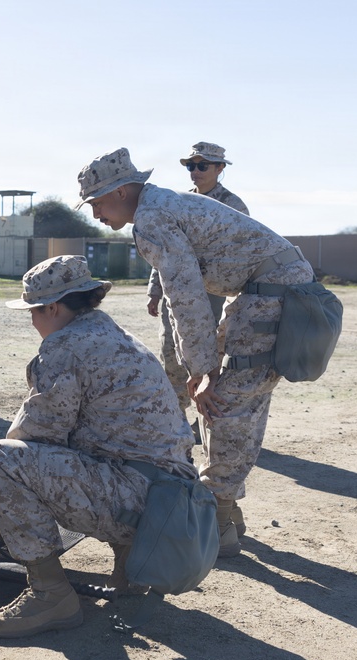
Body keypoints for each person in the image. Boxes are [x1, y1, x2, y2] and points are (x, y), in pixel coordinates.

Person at [77, 147, 314, 559]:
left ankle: (218, 518)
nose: (95, 214)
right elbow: (183, 294)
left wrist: (203, 369)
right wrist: (201, 365)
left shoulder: (151, 219)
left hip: (272, 292)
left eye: (97, 202)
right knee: (228, 396)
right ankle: (227, 508)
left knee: (228, 399)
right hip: (265, 289)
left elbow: (186, 297)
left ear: (120, 192)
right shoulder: (160, 205)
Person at [0, 255, 196, 638]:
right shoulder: (118, 336)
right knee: (97, 453)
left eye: (34, 311)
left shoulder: (65, 346)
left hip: (142, 503)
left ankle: (51, 595)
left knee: (3, 460)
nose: (32, 320)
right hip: (175, 504)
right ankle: (130, 574)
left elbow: (37, 434)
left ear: (53, 307)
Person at [146, 143, 249, 452]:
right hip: (176, 291)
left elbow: (242, 250)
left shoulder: (233, 205)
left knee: (210, 359)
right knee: (172, 354)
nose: (195, 171)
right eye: (191, 165)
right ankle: (175, 419)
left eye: (203, 165)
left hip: (214, 293)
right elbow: (164, 248)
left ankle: (209, 423)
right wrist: (154, 290)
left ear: (220, 168)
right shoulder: (179, 202)